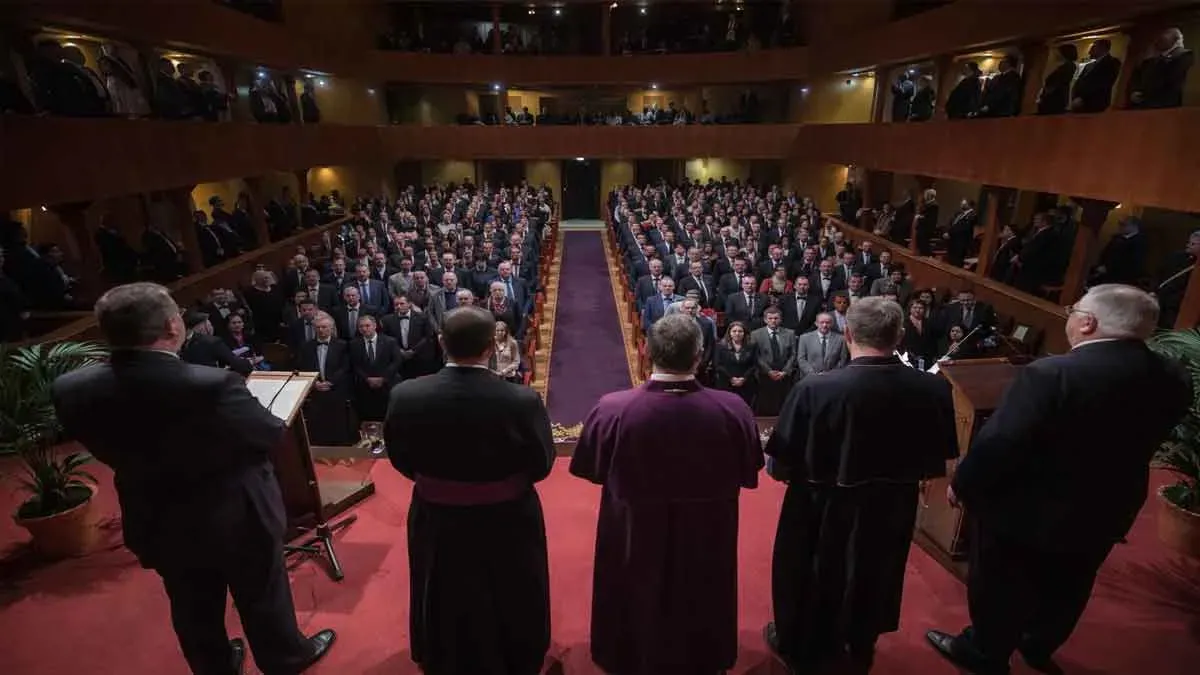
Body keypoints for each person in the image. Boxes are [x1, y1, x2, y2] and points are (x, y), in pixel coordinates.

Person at [51, 283, 335, 675]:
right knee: (261, 592)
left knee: (190, 603)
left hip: (154, 513)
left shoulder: (71, 388)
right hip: (236, 512)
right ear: (172, 326)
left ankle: (215, 665)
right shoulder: (211, 385)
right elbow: (268, 434)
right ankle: (285, 658)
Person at [927, 285, 1192, 675]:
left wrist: (963, 484)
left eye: (1074, 310)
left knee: (1001, 582)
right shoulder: (1173, 376)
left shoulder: (1052, 373)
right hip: (1108, 506)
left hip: (1025, 507)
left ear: (1088, 323)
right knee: (1072, 581)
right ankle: (1037, 644)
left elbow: (1002, 442)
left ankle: (985, 652)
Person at [764, 296, 958, 673]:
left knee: (811, 571)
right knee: (877, 571)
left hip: (822, 505)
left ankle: (801, 644)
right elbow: (940, 457)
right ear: (899, 336)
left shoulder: (815, 389)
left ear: (848, 334)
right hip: (894, 503)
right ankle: (860, 642)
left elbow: (780, 466)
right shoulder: (933, 389)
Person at [570, 313, 763, 675]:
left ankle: (627, 655)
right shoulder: (732, 409)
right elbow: (750, 469)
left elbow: (588, 469)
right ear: (700, 356)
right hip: (708, 533)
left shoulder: (612, 408)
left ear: (646, 351)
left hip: (633, 532)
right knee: (703, 588)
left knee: (632, 589)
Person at [384, 306, 555, 675]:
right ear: (491, 346)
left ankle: (443, 655)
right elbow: (541, 464)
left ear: (441, 342)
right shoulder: (521, 400)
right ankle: (517, 656)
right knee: (511, 589)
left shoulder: (406, 395)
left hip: (436, 515)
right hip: (508, 517)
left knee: (443, 586)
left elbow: (400, 459)